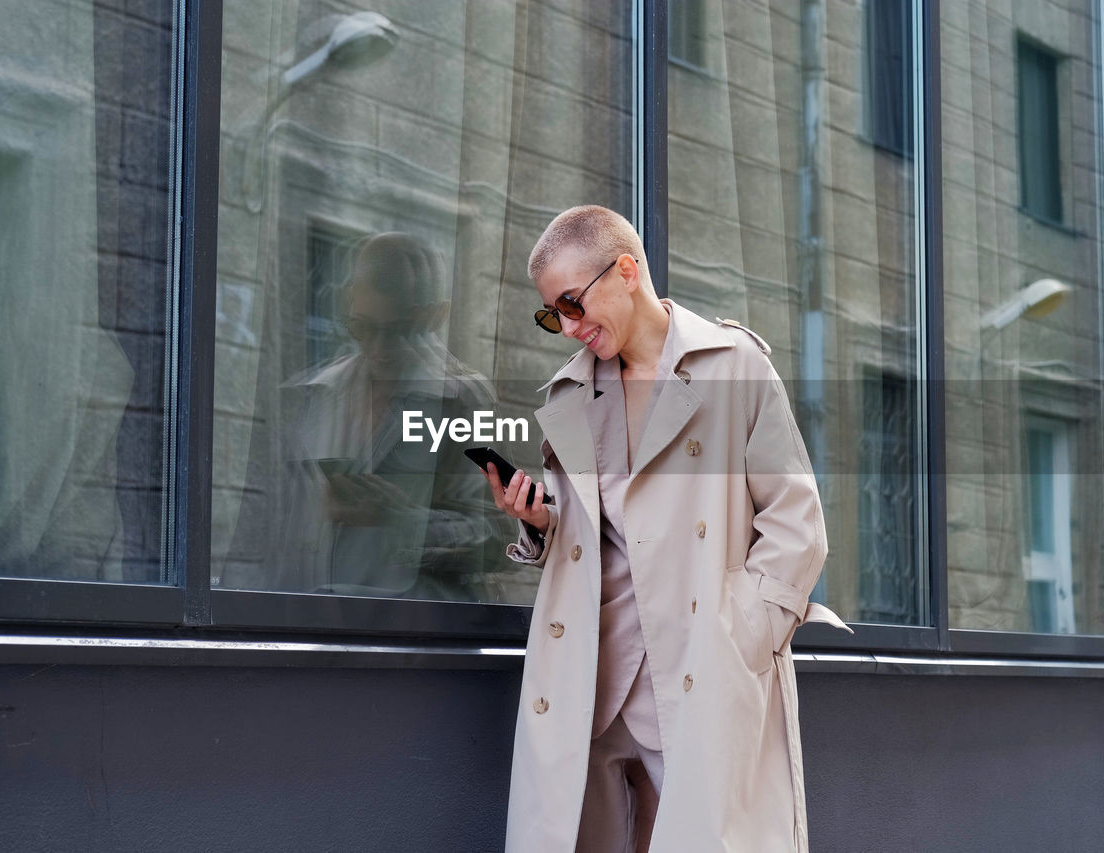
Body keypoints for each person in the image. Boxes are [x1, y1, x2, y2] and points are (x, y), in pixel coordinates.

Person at [485, 206, 850, 852]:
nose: (569, 328)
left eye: (573, 303)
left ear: (626, 270)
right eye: (553, 315)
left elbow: (799, 526)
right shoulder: (570, 395)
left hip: (697, 667)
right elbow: (598, 530)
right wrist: (542, 519)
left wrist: (738, 636)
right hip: (589, 677)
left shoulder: (732, 367)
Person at [268, 232, 503, 599]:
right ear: (348, 301)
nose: (379, 348)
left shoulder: (464, 400)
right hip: (308, 629)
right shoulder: (313, 393)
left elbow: (498, 535)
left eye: (399, 333)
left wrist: (401, 519)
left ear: (436, 316)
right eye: (362, 327)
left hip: (406, 642)